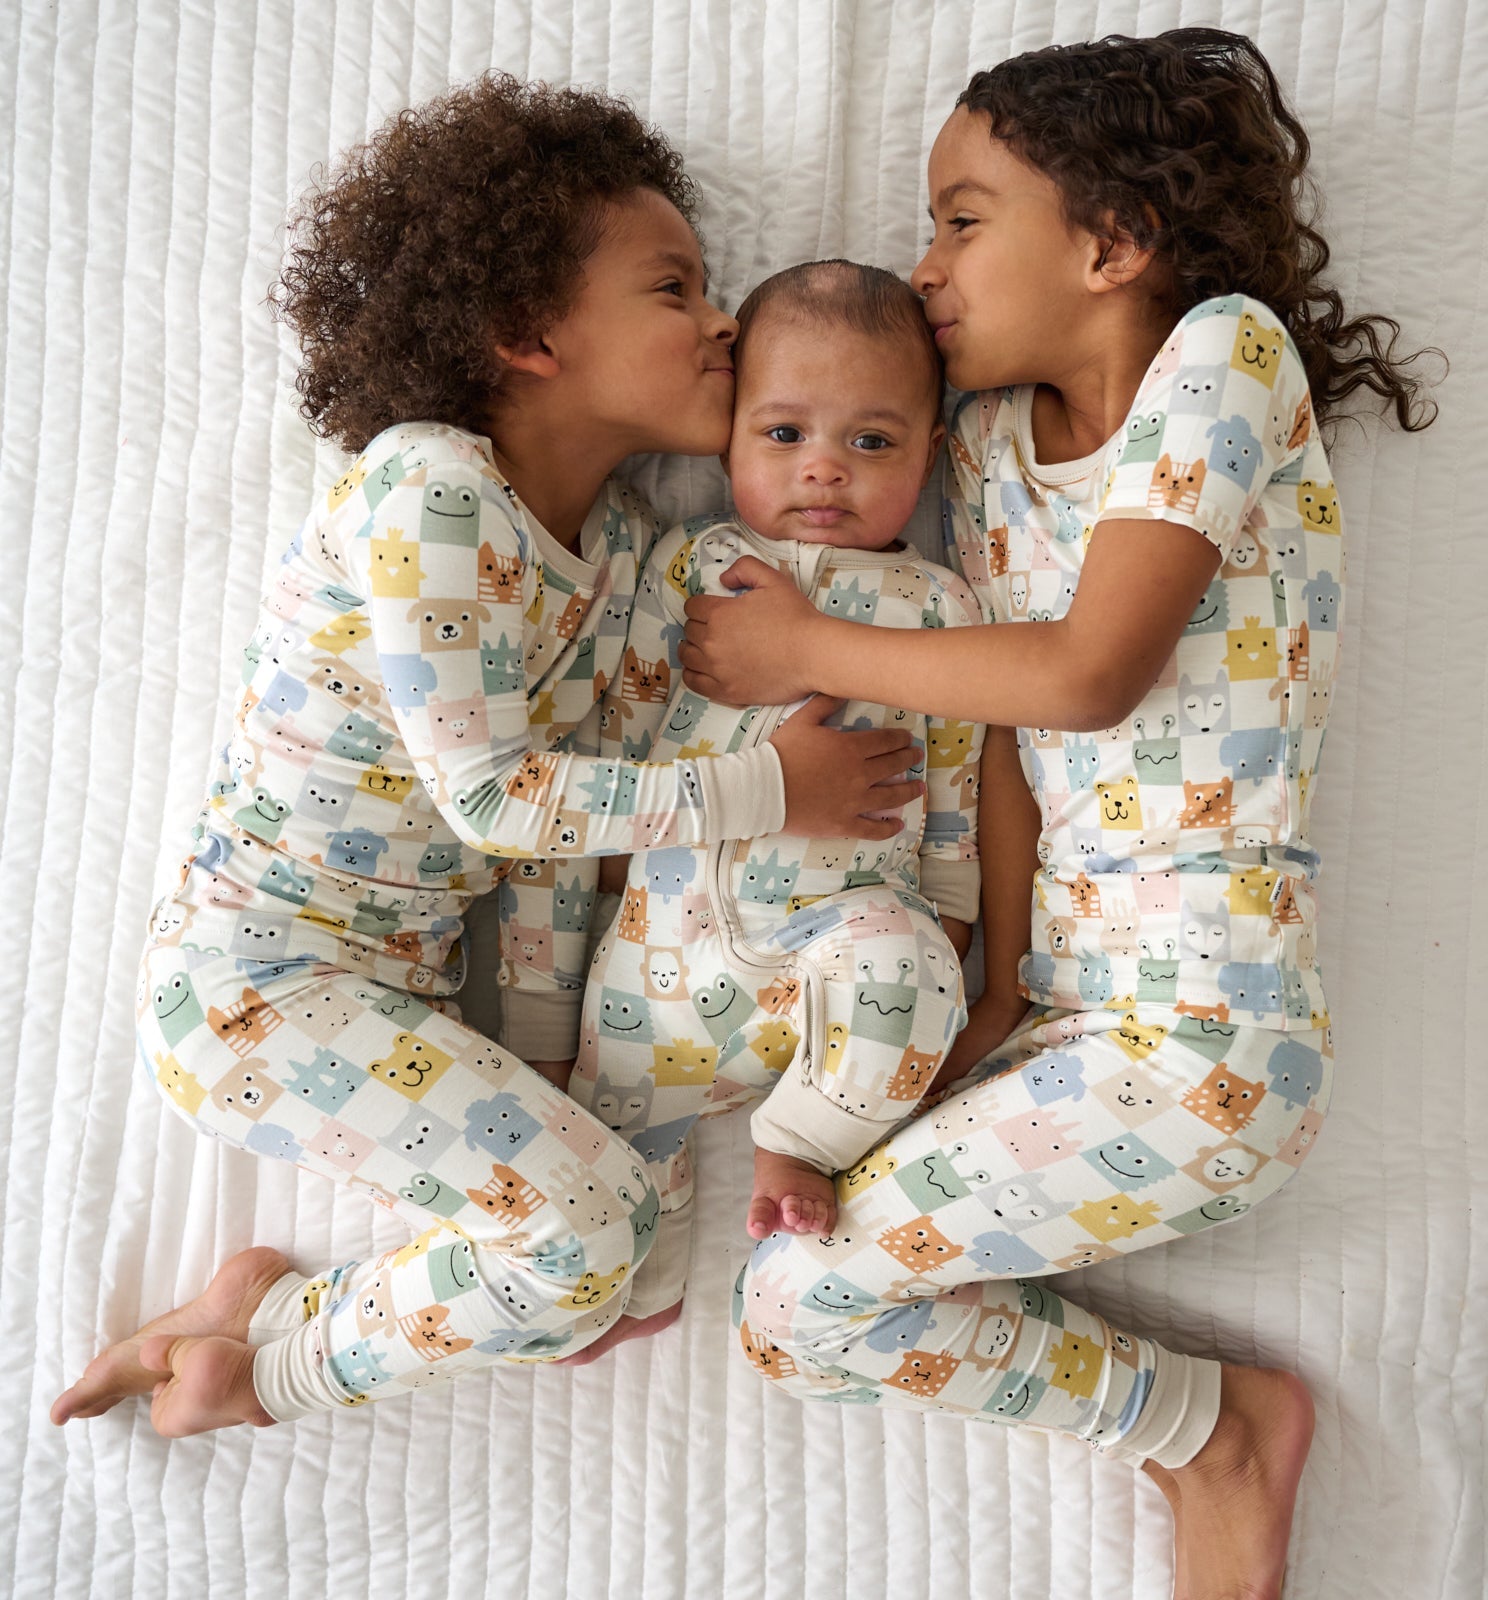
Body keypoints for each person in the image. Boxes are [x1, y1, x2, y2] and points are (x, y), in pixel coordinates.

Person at [673, 30, 1437, 1598]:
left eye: (962, 217)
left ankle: (1217, 1438)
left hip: (1206, 1042)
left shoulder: (1219, 358)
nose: (923, 263)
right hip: (1063, 1013)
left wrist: (803, 647)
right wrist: (1000, 983)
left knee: (797, 1302)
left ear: (1111, 241)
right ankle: (1203, 1426)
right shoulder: (976, 443)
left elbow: (1086, 675)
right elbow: (1001, 742)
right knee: (793, 1306)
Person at [50, 75, 920, 1437]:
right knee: (587, 1254)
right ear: (528, 334)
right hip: (255, 991)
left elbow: (571, 869)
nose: (724, 325)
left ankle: (259, 1311)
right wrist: (770, 794)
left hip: (409, 984)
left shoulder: (631, 551)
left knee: (608, 1273)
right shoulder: (432, 487)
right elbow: (498, 799)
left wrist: (566, 1078)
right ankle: (260, 1362)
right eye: (675, 289)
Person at [566, 263, 985, 1342]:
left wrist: (943, 929)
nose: (826, 473)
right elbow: (612, 742)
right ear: (729, 435)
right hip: (658, 962)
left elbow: (953, 791)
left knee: (910, 973)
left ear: (930, 454)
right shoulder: (689, 566)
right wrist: (588, 906)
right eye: (785, 433)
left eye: (872, 442)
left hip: (832, 956)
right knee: (612, 1195)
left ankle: (800, 1136)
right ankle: (631, 1293)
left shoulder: (938, 606)